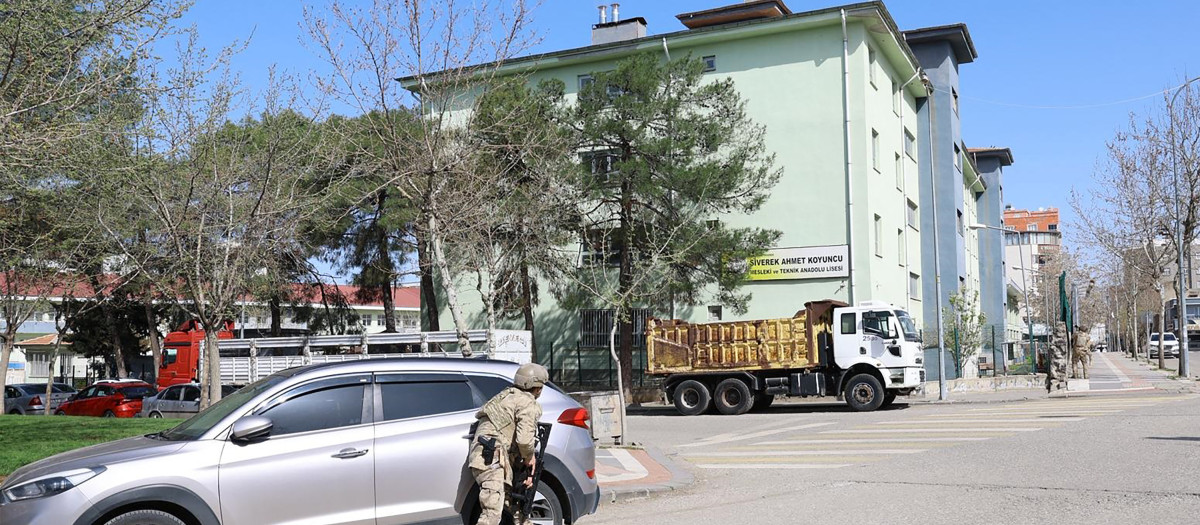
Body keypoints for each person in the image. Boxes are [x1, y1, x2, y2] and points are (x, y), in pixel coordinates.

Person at [468, 362, 548, 525]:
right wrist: (529, 458)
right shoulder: (527, 402)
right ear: (538, 388)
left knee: (512, 506)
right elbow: (524, 440)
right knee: (491, 515)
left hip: (488, 457)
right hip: (492, 459)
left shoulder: (506, 395)